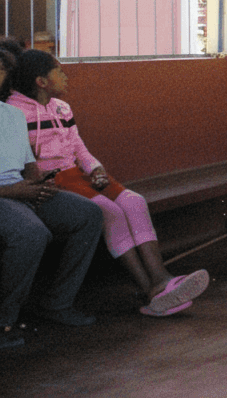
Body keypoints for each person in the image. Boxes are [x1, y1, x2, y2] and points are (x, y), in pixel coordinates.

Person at [7, 50, 209, 318]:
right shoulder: (14, 112)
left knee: (134, 202)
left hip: (78, 174)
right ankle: (150, 289)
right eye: (59, 72)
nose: (66, 76)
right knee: (110, 211)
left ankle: (162, 277)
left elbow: (79, 148)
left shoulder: (62, 108)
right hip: (54, 180)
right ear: (41, 81)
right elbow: (26, 162)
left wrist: (96, 169)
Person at [0, 40, 103, 349]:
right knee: (32, 233)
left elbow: (28, 164)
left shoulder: (11, 115)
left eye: (2, 70)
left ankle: (57, 302)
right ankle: (4, 320)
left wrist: (39, 183)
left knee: (88, 214)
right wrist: (14, 190)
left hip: (21, 190)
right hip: (6, 195)